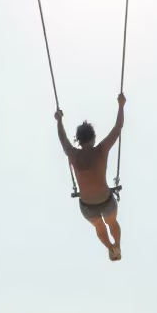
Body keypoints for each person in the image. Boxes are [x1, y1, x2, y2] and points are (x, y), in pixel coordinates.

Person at [55, 94, 125, 261]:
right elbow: (118, 128)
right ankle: (117, 245)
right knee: (111, 222)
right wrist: (121, 105)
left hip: (87, 207)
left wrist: (59, 120)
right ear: (93, 139)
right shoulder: (101, 149)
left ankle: (110, 247)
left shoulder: (73, 154)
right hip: (106, 200)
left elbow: (63, 140)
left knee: (98, 226)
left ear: (78, 141)